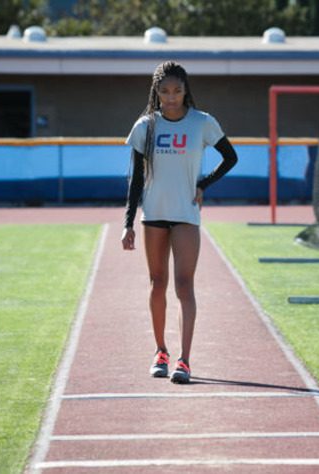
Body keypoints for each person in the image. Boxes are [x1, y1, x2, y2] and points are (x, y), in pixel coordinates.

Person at [121, 61, 238, 384]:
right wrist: (128, 222)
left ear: (186, 91)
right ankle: (161, 351)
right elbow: (136, 179)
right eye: (164, 91)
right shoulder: (146, 126)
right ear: (156, 93)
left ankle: (185, 361)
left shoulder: (202, 123)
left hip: (186, 215)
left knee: (184, 286)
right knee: (157, 283)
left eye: (177, 90)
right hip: (154, 215)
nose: (171, 97)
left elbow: (231, 157)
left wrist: (204, 185)